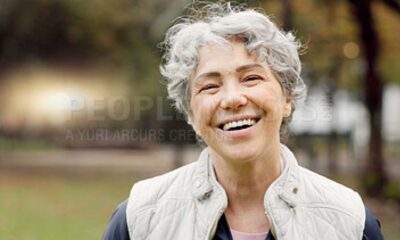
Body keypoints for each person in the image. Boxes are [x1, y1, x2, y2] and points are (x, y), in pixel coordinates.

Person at [103, 2, 383, 240]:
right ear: (190, 112)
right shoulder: (138, 220)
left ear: (287, 98)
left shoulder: (351, 224)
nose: (232, 99)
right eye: (210, 86)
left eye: (251, 78)